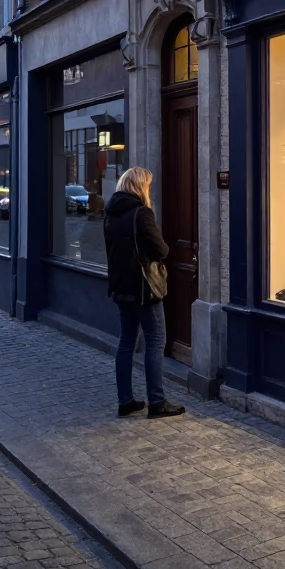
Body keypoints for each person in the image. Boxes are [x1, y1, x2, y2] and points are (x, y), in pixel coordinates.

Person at [104, 167, 185, 419]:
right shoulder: (141, 213)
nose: (149, 189)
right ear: (140, 187)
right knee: (155, 341)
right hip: (144, 290)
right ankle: (157, 402)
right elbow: (162, 250)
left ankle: (125, 401)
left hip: (120, 288)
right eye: (148, 185)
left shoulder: (110, 214)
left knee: (126, 342)